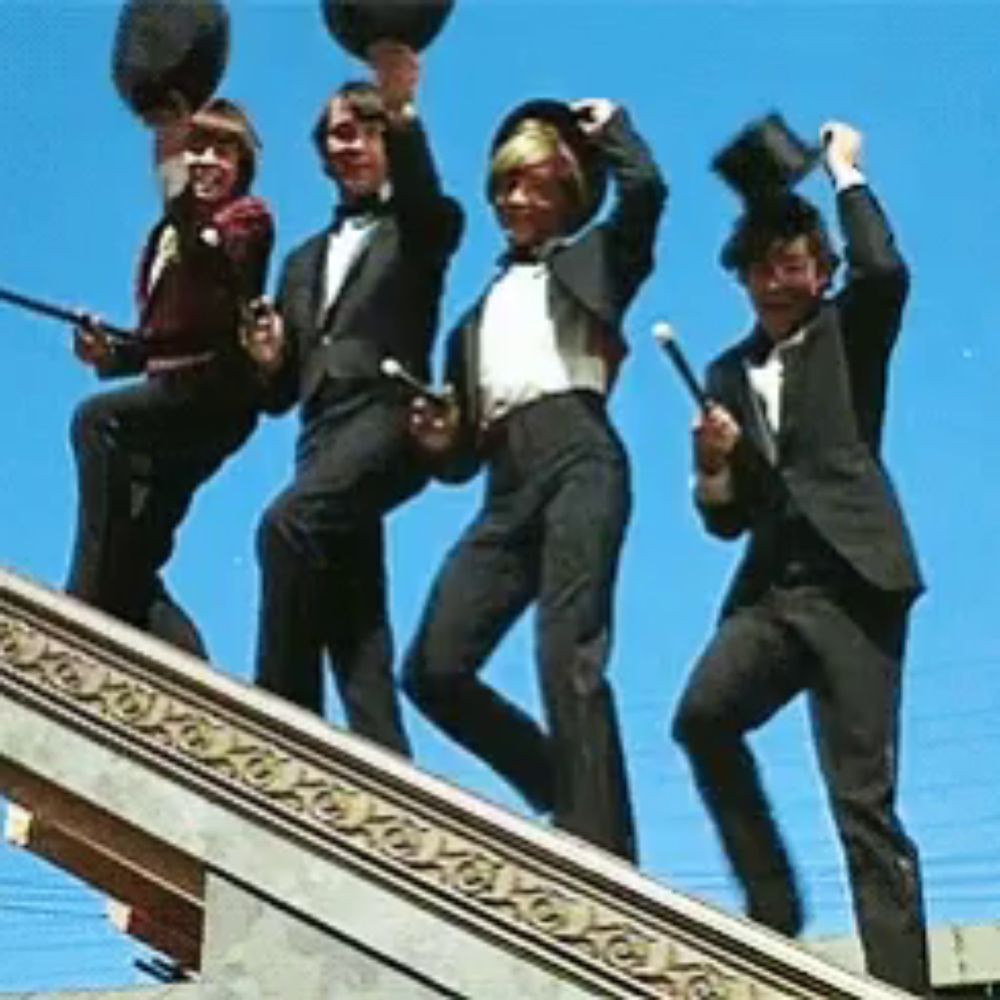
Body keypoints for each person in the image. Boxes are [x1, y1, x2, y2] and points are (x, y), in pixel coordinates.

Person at [671, 122, 929, 993]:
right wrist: (713, 469)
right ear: (741, 279)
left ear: (820, 273)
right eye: (760, 268)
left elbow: (885, 270)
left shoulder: (849, 333)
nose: (777, 282)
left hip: (857, 585)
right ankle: (773, 901)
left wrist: (846, 173)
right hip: (774, 591)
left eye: (794, 266)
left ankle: (899, 987)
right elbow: (724, 518)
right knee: (702, 716)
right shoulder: (721, 372)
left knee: (863, 803)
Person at [401, 97, 666, 861]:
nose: (519, 201)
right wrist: (440, 437)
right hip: (505, 481)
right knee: (433, 666)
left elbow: (646, 193)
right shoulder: (471, 321)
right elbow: (458, 459)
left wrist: (615, 128)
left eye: (538, 187)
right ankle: (559, 782)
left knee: (567, 658)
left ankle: (605, 852)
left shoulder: (593, 261)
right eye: (508, 187)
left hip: (581, 454)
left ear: (570, 196)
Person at [242, 43, 462, 756]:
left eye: (364, 131)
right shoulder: (302, 259)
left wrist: (401, 108)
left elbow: (429, 202)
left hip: (390, 417)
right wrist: (271, 359)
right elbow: (278, 395)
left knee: (284, 528)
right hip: (319, 435)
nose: (351, 145)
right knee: (355, 627)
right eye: (338, 134)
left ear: (387, 142)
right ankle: (393, 781)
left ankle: (278, 729)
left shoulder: (420, 226)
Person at [67, 98, 274, 657]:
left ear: (241, 166)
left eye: (220, 151)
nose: (205, 161)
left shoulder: (246, 220)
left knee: (96, 422)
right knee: (132, 558)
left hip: (213, 396)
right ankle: (194, 675)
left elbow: (216, 279)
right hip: (171, 392)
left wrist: (175, 180)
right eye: (196, 147)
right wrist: (109, 354)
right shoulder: (166, 234)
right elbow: (163, 340)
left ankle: (78, 604)